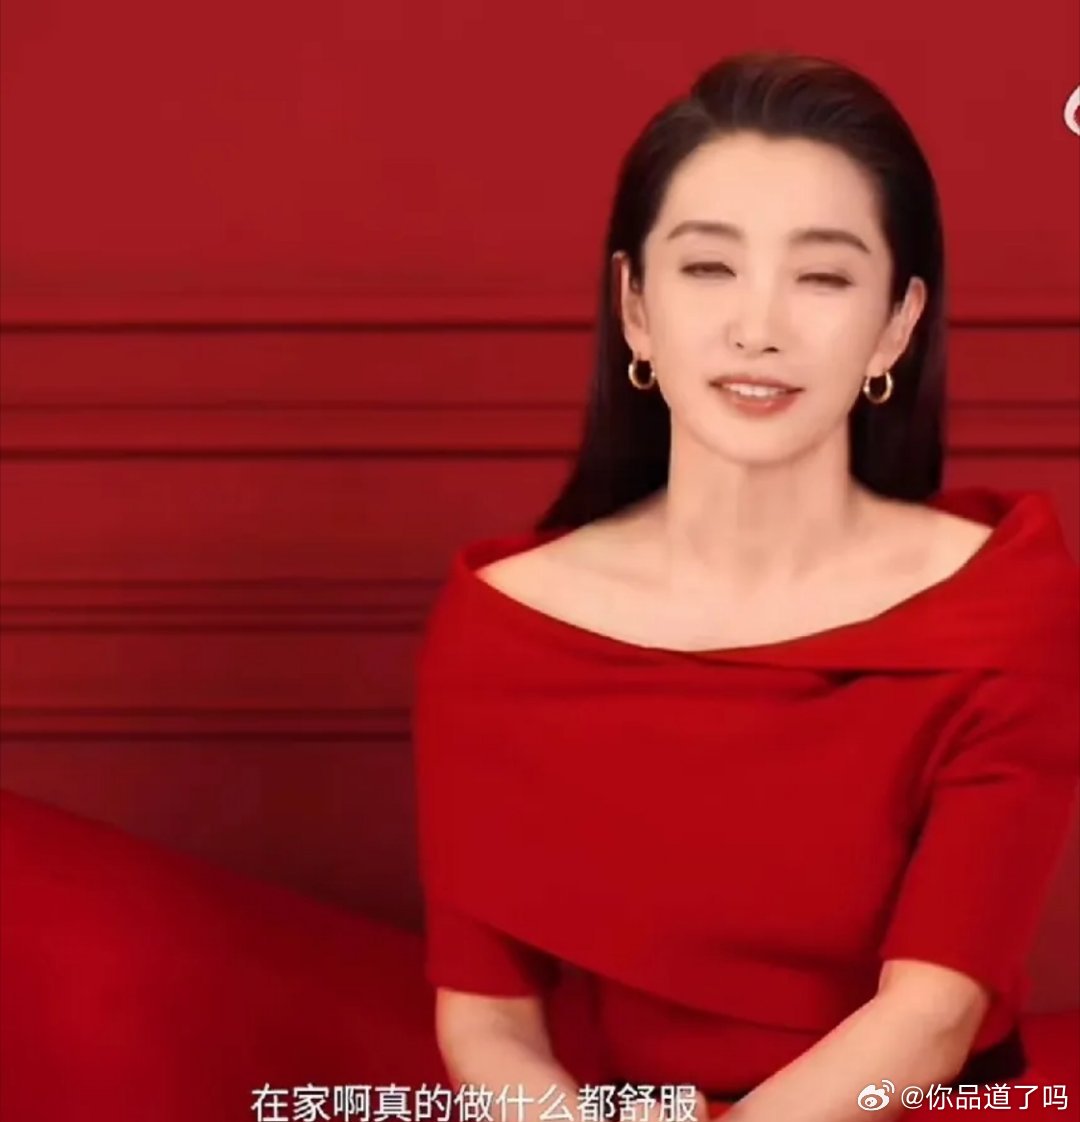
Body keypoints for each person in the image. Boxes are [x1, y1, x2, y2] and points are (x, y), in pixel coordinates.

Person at [411, 49, 1080, 1121]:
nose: (758, 326)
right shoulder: (506, 627)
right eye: (709, 267)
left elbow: (932, 1017)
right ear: (635, 307)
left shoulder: (1001, 603)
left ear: (897, 325)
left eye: (823, 277)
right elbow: (488, 1024)